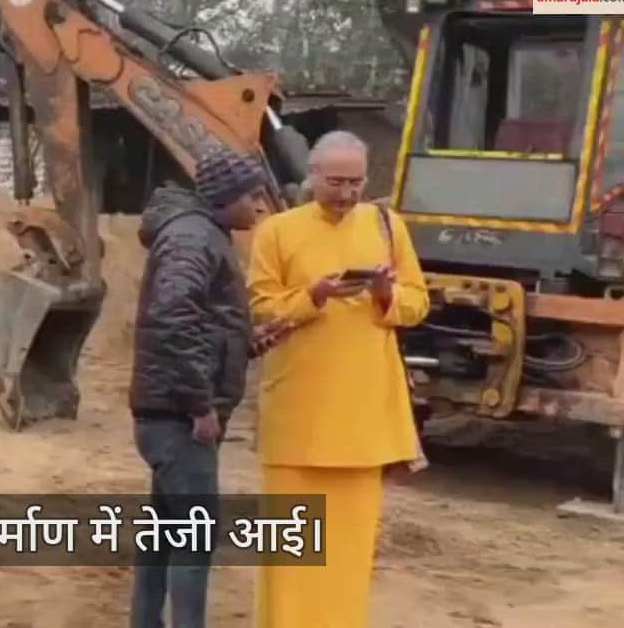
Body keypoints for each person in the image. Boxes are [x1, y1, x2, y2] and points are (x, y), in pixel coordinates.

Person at [245, 130, 430, 627]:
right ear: (312, 176)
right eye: (335, 182)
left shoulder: (388, 225)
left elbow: (419, 302)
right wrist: (315, 296)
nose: (347, 193)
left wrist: (387, 295)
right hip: (298, 416)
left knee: (348, 552)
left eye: (356, 182)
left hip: (363, 419)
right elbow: (261, 308)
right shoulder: (278, 232)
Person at [128, 146, 282, 628]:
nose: (260, 205)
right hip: (178, 417)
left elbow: (200, 324)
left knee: (163, 535)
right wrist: (199, 405)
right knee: (194, 538)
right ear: (224, 195)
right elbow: (172, 318)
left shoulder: (200, 234)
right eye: (253, 194)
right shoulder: (195, 240)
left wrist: (249, 342)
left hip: (165, 411)